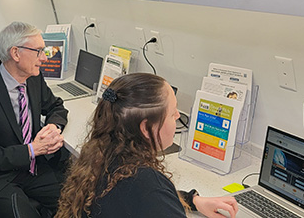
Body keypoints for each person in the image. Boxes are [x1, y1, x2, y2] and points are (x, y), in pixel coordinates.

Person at [56, 73, 239, 218]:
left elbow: (141, 199)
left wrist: (192, 200)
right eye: (172, 113)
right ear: (146, 128)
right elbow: (148, 195)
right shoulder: (146, 183)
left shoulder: (104, 154)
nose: (177, 117)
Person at [0, 21, 69, 218]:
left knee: (76, 201)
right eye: (38, 51)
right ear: (16, 53)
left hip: (33, 168)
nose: (44, 58)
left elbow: (56, 106)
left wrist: (53, 126)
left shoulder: (33, 78)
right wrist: (32, 149)